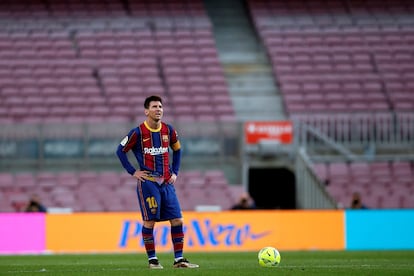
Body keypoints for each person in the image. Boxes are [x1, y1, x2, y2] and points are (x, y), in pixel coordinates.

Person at [116, 95, 199, 269]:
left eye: (160, 106)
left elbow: (178, 150)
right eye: (154, 106)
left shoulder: (169, 130)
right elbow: (120, 150)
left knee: (177, 220)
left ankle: (179, 260)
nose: (158, 109)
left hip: (167, 183)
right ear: (146, 111)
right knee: (150, 222)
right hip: (149, 182)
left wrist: (175, 172)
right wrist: (133, 172)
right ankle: (152, 260)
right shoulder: (137, 132)